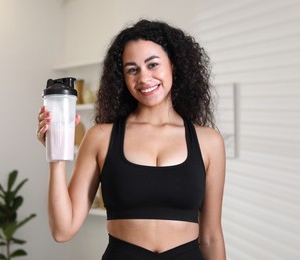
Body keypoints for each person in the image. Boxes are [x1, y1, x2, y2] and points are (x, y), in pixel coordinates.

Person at [37, 19, 226, 260]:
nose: (144, 78)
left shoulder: (209, 142)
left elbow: (211, 237)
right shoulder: (101, 137)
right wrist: (56, 157)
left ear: (174, 66)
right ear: (122, 77)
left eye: (153, 64)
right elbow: (63, 231)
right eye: (132, 69)